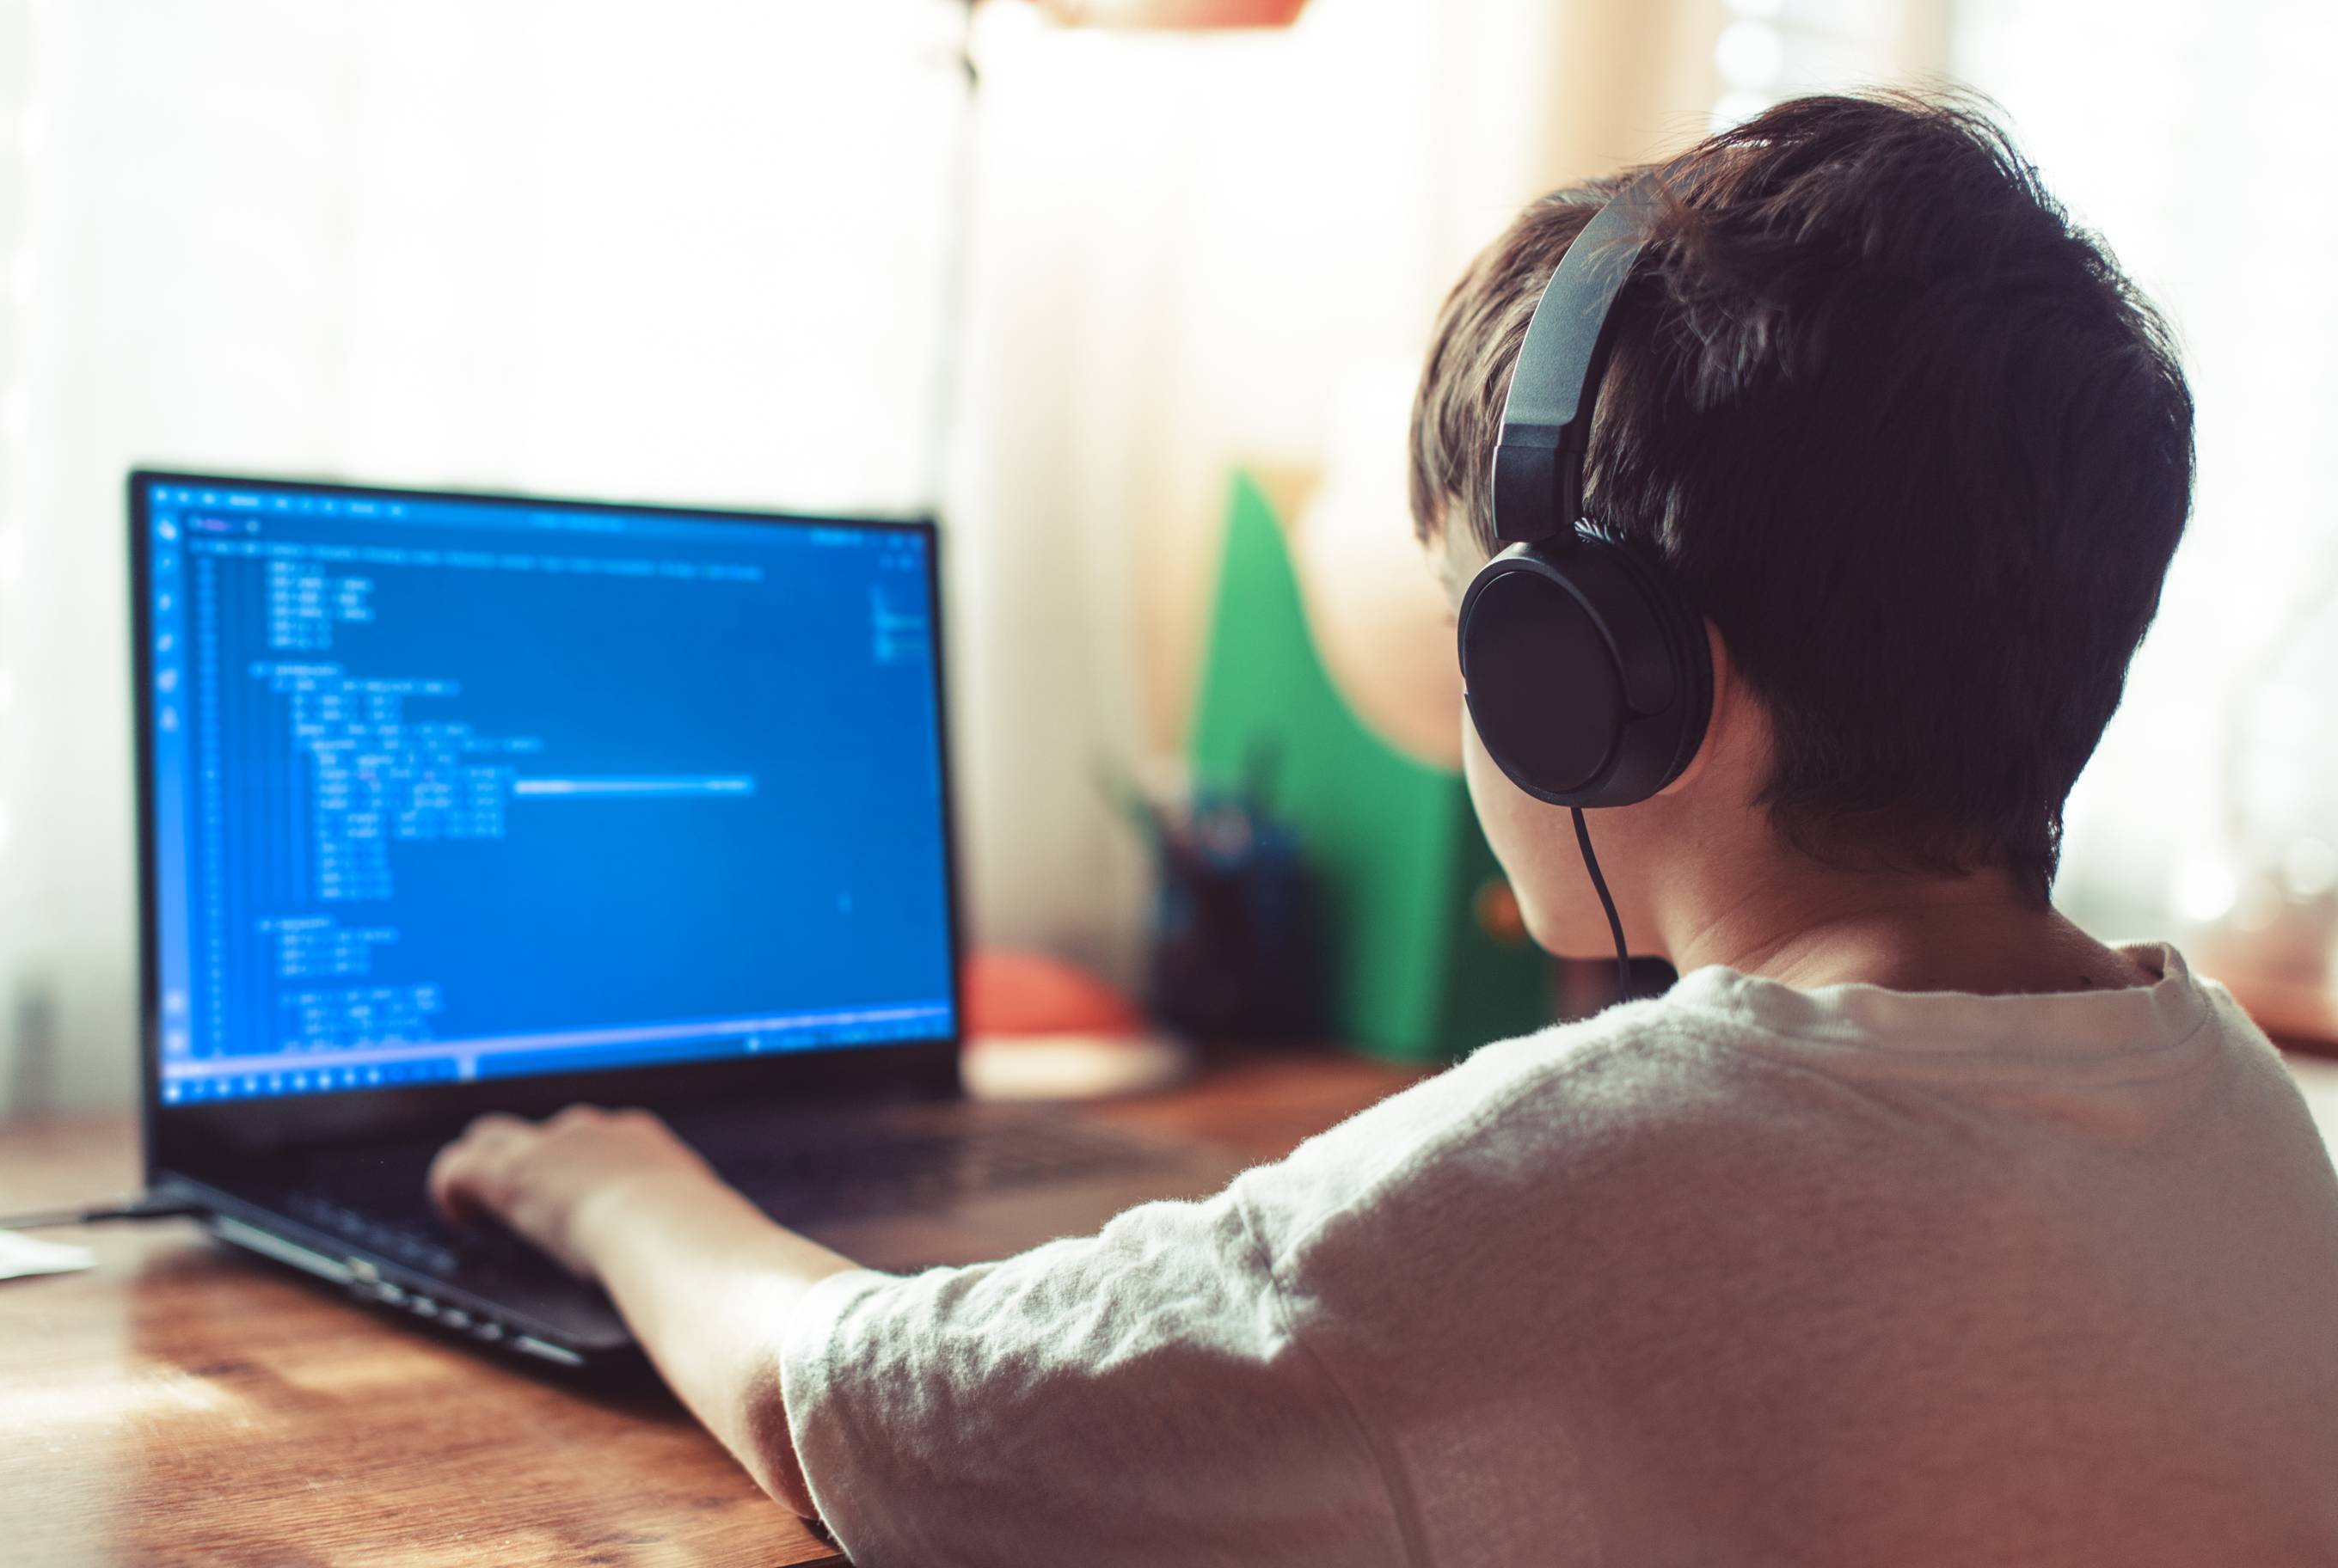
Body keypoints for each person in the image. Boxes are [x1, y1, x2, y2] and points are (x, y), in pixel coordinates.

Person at [427, 93, 2338, 1564]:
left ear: (1586, 676)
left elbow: (847, 1413)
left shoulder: (1578, 1171)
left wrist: (611, 1191)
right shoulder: (2235, 1106)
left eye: (1468, 624)